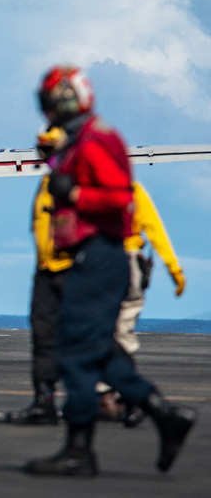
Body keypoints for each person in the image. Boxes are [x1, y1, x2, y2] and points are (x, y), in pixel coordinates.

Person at [24, 66, 196, 476]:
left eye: (48, 106)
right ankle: (163, 414)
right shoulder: (84, 138)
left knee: (75, 354)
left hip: (99, 256)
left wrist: (77, 192)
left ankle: (80, 450)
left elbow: (120, 197)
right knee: (98, 351)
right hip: (95, 256)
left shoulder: (94, 139)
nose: (46, 115)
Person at [96, 181, 185, 425]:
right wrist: (174, 268)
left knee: (97, 332)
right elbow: (155, 228)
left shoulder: (85, 189)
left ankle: (109, 395)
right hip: (129, 261)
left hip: (99, 262)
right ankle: (129, 398)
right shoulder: (132, 190)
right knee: (122, 332)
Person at [4, 127, 72, 426]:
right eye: (42, 150)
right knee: (42, 338)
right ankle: (43, 402)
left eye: (49, 149)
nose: (44, 156)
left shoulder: (82, 177)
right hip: (46, 270)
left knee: (93, 339)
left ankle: (140, 402)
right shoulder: (49, 179)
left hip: (75, 270)